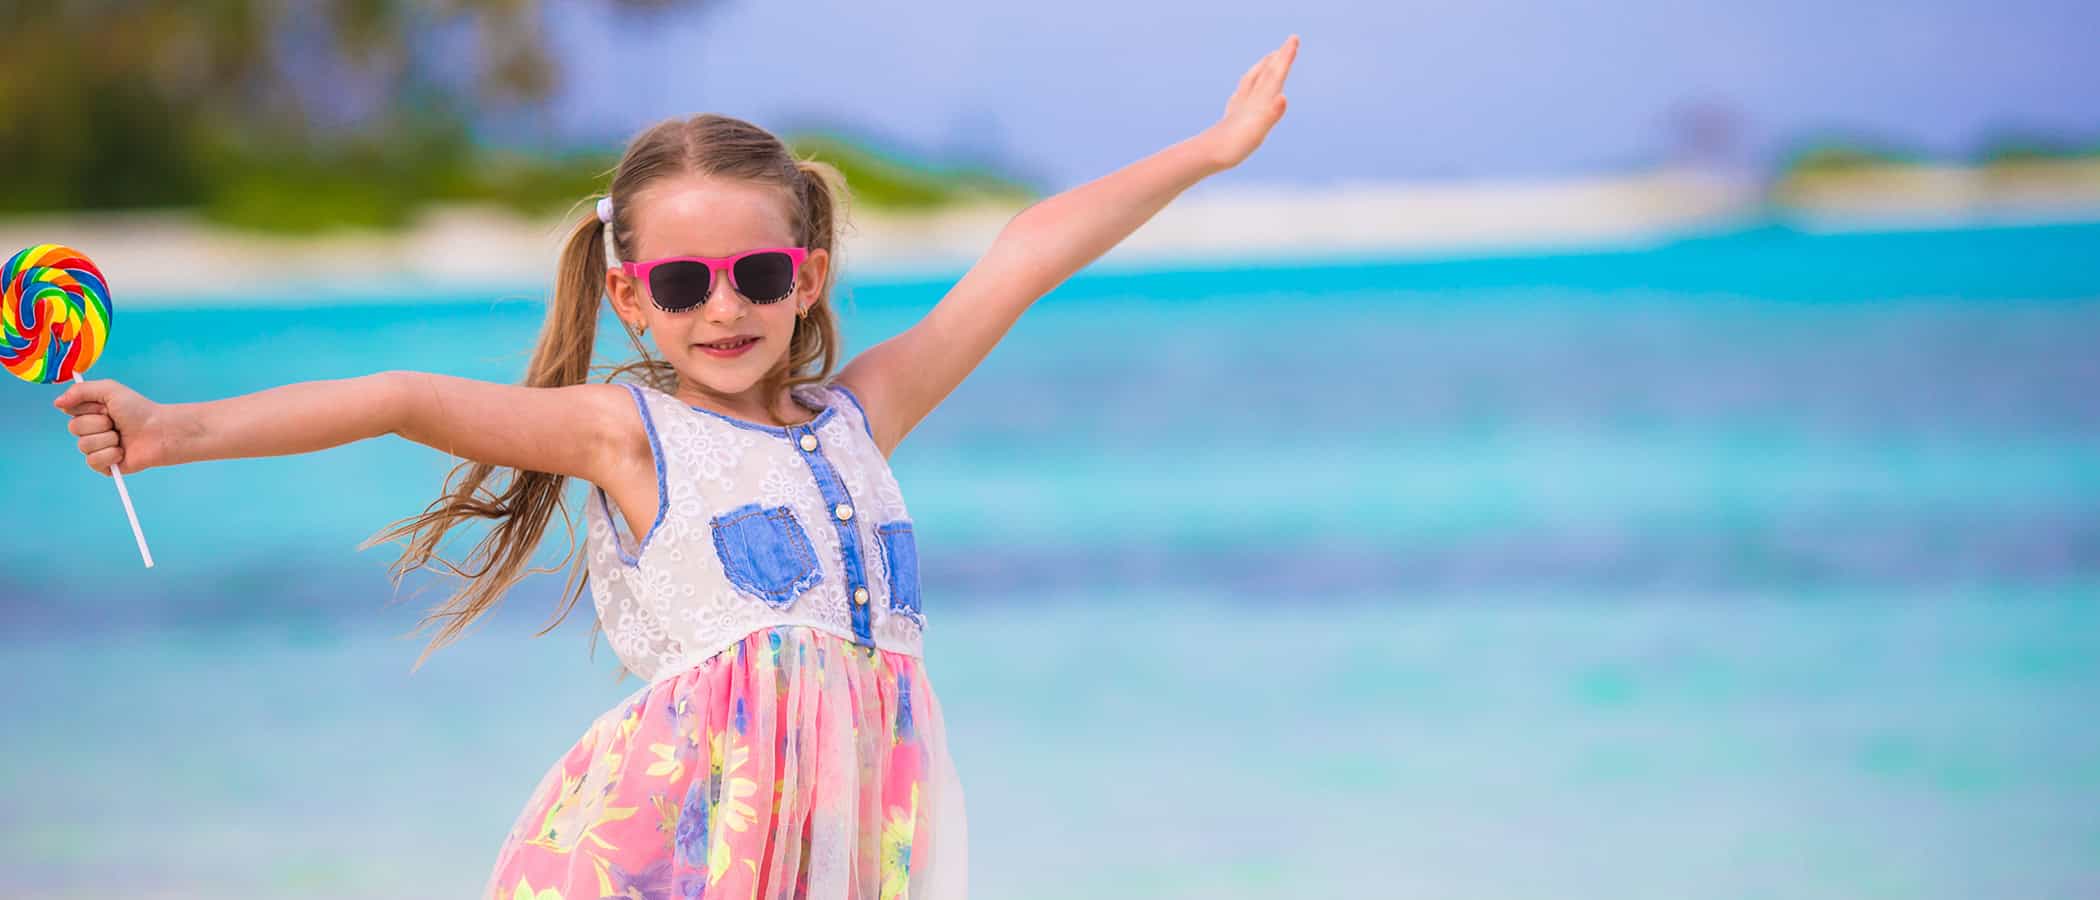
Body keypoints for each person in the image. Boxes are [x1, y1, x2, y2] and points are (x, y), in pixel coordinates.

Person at [53, 34, 1298, 899]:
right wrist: (174, 433)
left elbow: (1025, 253)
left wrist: (1211, 150)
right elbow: (403, 399)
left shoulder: (862, 414)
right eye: (684, 284)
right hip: (680, 845)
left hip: (846, 833)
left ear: (803, 273)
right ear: (629, 298)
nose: (725, 309)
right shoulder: (627, 434)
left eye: (758, 275)